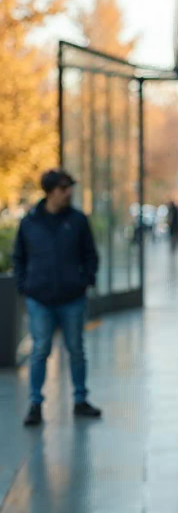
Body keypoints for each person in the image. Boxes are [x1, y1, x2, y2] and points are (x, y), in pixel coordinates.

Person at [13, 169, 103, 426]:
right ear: (51, 191)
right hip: (38, 298)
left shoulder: (77, 220)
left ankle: (80, 400)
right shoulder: (29, 221)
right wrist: (25, 286)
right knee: (40, 350)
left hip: (72, 298)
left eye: (70, 187)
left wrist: (85, 280)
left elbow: (90, 254)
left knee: (76, 350)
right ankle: (35, 404)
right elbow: (19, 257)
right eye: (64, 188)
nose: (69, 192)